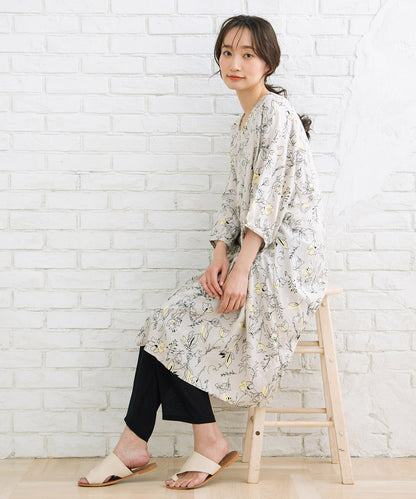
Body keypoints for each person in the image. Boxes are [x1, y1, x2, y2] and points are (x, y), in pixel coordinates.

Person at [78, 14, 328, 490]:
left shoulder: (276, 114)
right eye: (228, 53)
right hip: (251, 251)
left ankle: (156, 444)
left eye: (248, 54)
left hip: (284, 260)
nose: (235, 63)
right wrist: (218, 254)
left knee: (172, 324)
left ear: (268, 62)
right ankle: (158, 442)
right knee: (165, 323)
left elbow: (269, 198)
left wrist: (241, 269)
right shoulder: (245, 122)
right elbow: (234, 197)